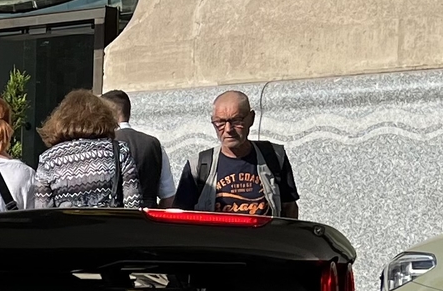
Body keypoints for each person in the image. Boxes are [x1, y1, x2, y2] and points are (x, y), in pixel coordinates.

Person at [173, 90, 300, 218]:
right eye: (220, 122)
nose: (228, 129)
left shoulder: (274, 156)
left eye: (236, 120)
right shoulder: (198, 166)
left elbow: (289, 208)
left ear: (251, 118)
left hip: (264, 238)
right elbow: (180, 218)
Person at [25, 89, 146, 209]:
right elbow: (133, 205)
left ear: (60, 121)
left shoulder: (48, 160)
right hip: (110, 227)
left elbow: (43, 212)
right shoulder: (119, 151)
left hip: (67, 228)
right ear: (103, 118)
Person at [102, 88, 168, 204]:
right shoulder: (153, 144)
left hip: (112, 217)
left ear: (110, 113)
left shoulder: (103, 143)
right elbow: (168, 197)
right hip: (146, 218)